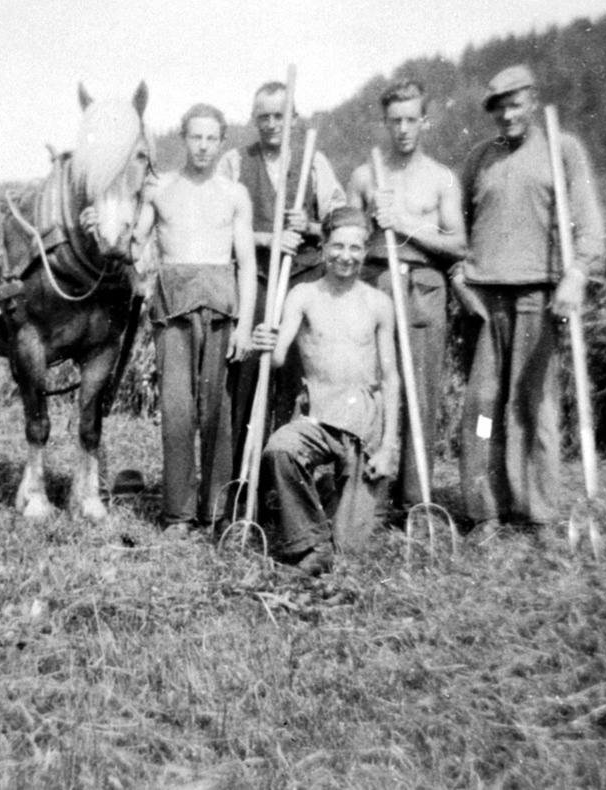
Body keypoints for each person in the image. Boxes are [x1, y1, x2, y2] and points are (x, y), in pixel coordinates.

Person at [456, 64, 606, 540]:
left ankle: (538, 510)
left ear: (533, 101)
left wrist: (578, 273)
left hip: (538, 296)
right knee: (482, 408)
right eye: (497, 107)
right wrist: (459, 277)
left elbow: (589, 223)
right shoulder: (480, 158)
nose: (506, 115)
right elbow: (456, 229)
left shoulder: (563, 149)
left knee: (534, 405)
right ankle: (484, 510)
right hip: (483, 301)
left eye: (514, 104)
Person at [125, 103, 257, 536]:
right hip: (173, 314)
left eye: (211, 138)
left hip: (221, 311)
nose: (202, 146)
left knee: (216, 412)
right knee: (178, 412)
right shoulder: (160, 188)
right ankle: (179, 514)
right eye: (195, 137)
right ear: (183, 139)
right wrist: (132, 267)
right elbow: (134, 245)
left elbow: (246, 264)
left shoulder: (234, 194)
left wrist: (244, 324)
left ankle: (216, 510)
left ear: (222, 142)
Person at [250, 207, 400, 576]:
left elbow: (391, 377)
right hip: (316, 416)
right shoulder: (303, 295)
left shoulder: (379, 304)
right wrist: (265, 342)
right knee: (281, 449)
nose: (345, 256)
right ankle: (313, 543)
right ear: (322, 248)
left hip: (362, 423)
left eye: (355, 248)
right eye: (337, 246)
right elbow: (280, 354)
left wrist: (388, 446)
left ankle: (334, 507)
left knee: (350, 547)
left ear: (366, 252)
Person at [347, 79, 466, 514]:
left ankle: (417, 500)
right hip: (377, 284)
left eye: (411, 119)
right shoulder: (365, 176)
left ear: (424, 120)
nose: (403, 129)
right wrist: (372, 222)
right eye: (394, 120)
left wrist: (404, 222)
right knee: (373, 390)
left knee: (420, 392)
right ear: (384, 122)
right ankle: (371, 496)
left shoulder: (440, 178)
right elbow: (347, 238)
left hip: (423, 289)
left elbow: (458, 243)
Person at [218, 81, 348, 466]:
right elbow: (218, 227)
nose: (272, 123)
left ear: (294, 118)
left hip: (302, 283)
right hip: (254, 285)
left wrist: (308, 226)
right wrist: (266, 238)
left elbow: (340, 224)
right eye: (263, 116)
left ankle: (285, 479)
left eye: (279, 115)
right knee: (245, 383)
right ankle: (240, 484)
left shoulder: (314, 163)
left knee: (296, 382)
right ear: (253, 119)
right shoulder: (235, 163)